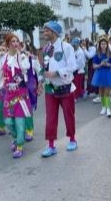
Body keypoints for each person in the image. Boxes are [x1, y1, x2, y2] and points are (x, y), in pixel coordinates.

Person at [38, 21, 78, 157]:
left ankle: (72, 139)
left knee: (69, 115)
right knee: (50, 117)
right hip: (50, 88)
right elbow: (44, 68)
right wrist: (40, 80)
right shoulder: (45, 49)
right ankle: (51, 146)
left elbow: (73, 66)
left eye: (46, 30)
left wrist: (56, 73)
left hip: (65, 87)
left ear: (54, 32)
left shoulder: (66, 47)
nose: (44, 33)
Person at [0, 34, 34, 158]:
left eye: (17, 41)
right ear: (7, 43)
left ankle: (20, 146)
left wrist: (21, 55)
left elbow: (25, 68)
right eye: (12, 41)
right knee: (9, 122)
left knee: (20, 122)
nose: (15, 43)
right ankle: (16, 138)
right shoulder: (2, 58)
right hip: (8, 94)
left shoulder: (22, 57)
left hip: (21, 93)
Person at [91, 37, 111, 117]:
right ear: (99, 45)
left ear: (107, 45)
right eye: (102, 44)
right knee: (101, 92)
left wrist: (108, 64)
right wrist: (100, 64)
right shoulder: (97, 55)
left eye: (105, 44)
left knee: (107, 92)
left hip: (108, 74)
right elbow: (94, 66)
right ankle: (103, 107)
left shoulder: (109, 54)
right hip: (99, 74)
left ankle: (108, 108)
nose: (103, 45)